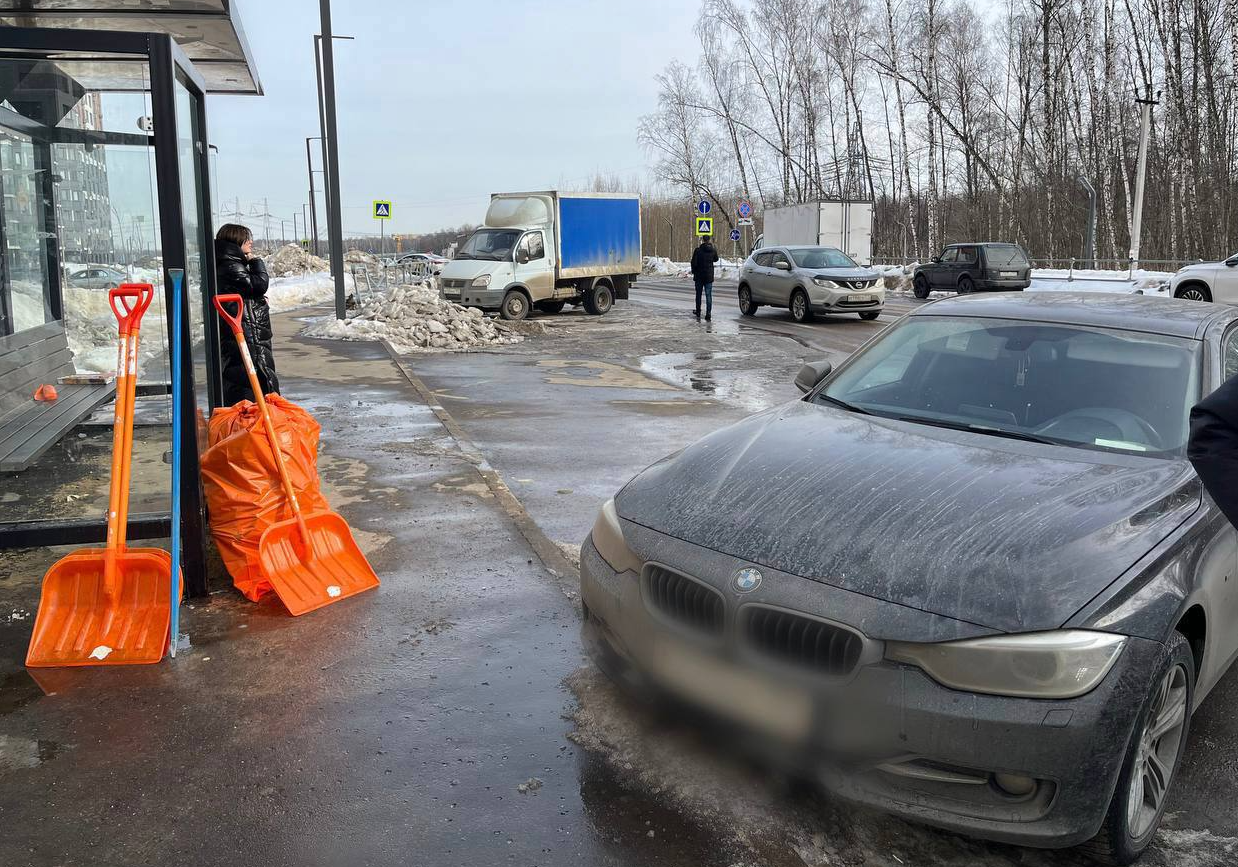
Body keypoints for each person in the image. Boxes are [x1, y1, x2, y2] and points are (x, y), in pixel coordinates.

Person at [214, 223, 279, 405]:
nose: (250, 242)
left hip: (251, 333)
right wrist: (256, 261)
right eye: (246, 238)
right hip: (248, 335)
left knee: (255, 381)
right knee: (253, 382)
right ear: (236, 240)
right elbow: (258, 284)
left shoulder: (232, 263)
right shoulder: (231, 265)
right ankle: (254, 427)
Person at [690, 235, 719, 321]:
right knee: (708, 295)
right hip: (709, 276)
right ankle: (708, 313)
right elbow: (716, 259)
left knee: (698, 294)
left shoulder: (698, 250)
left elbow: (693, 262)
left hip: (699, 276)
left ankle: (698, 311)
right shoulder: (713, 250)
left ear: (702, 240)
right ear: (709, 240)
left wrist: (694, 271)